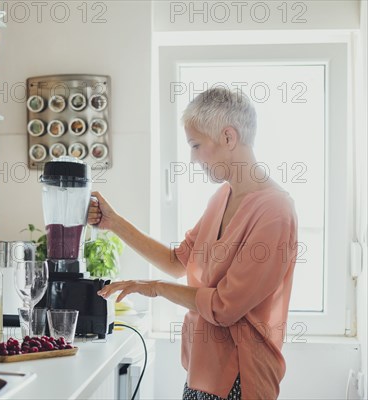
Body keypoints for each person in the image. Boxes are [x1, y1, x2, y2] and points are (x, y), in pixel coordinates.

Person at [90, 87, 298, 400]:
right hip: (201, 373)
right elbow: (177, 261)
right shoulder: (221, 197)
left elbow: (225, 307)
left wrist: (156, 288)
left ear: (228, 138)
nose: (192, 157)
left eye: (196, 145)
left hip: (241, 379)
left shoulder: (275, 211)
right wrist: (114, 222)